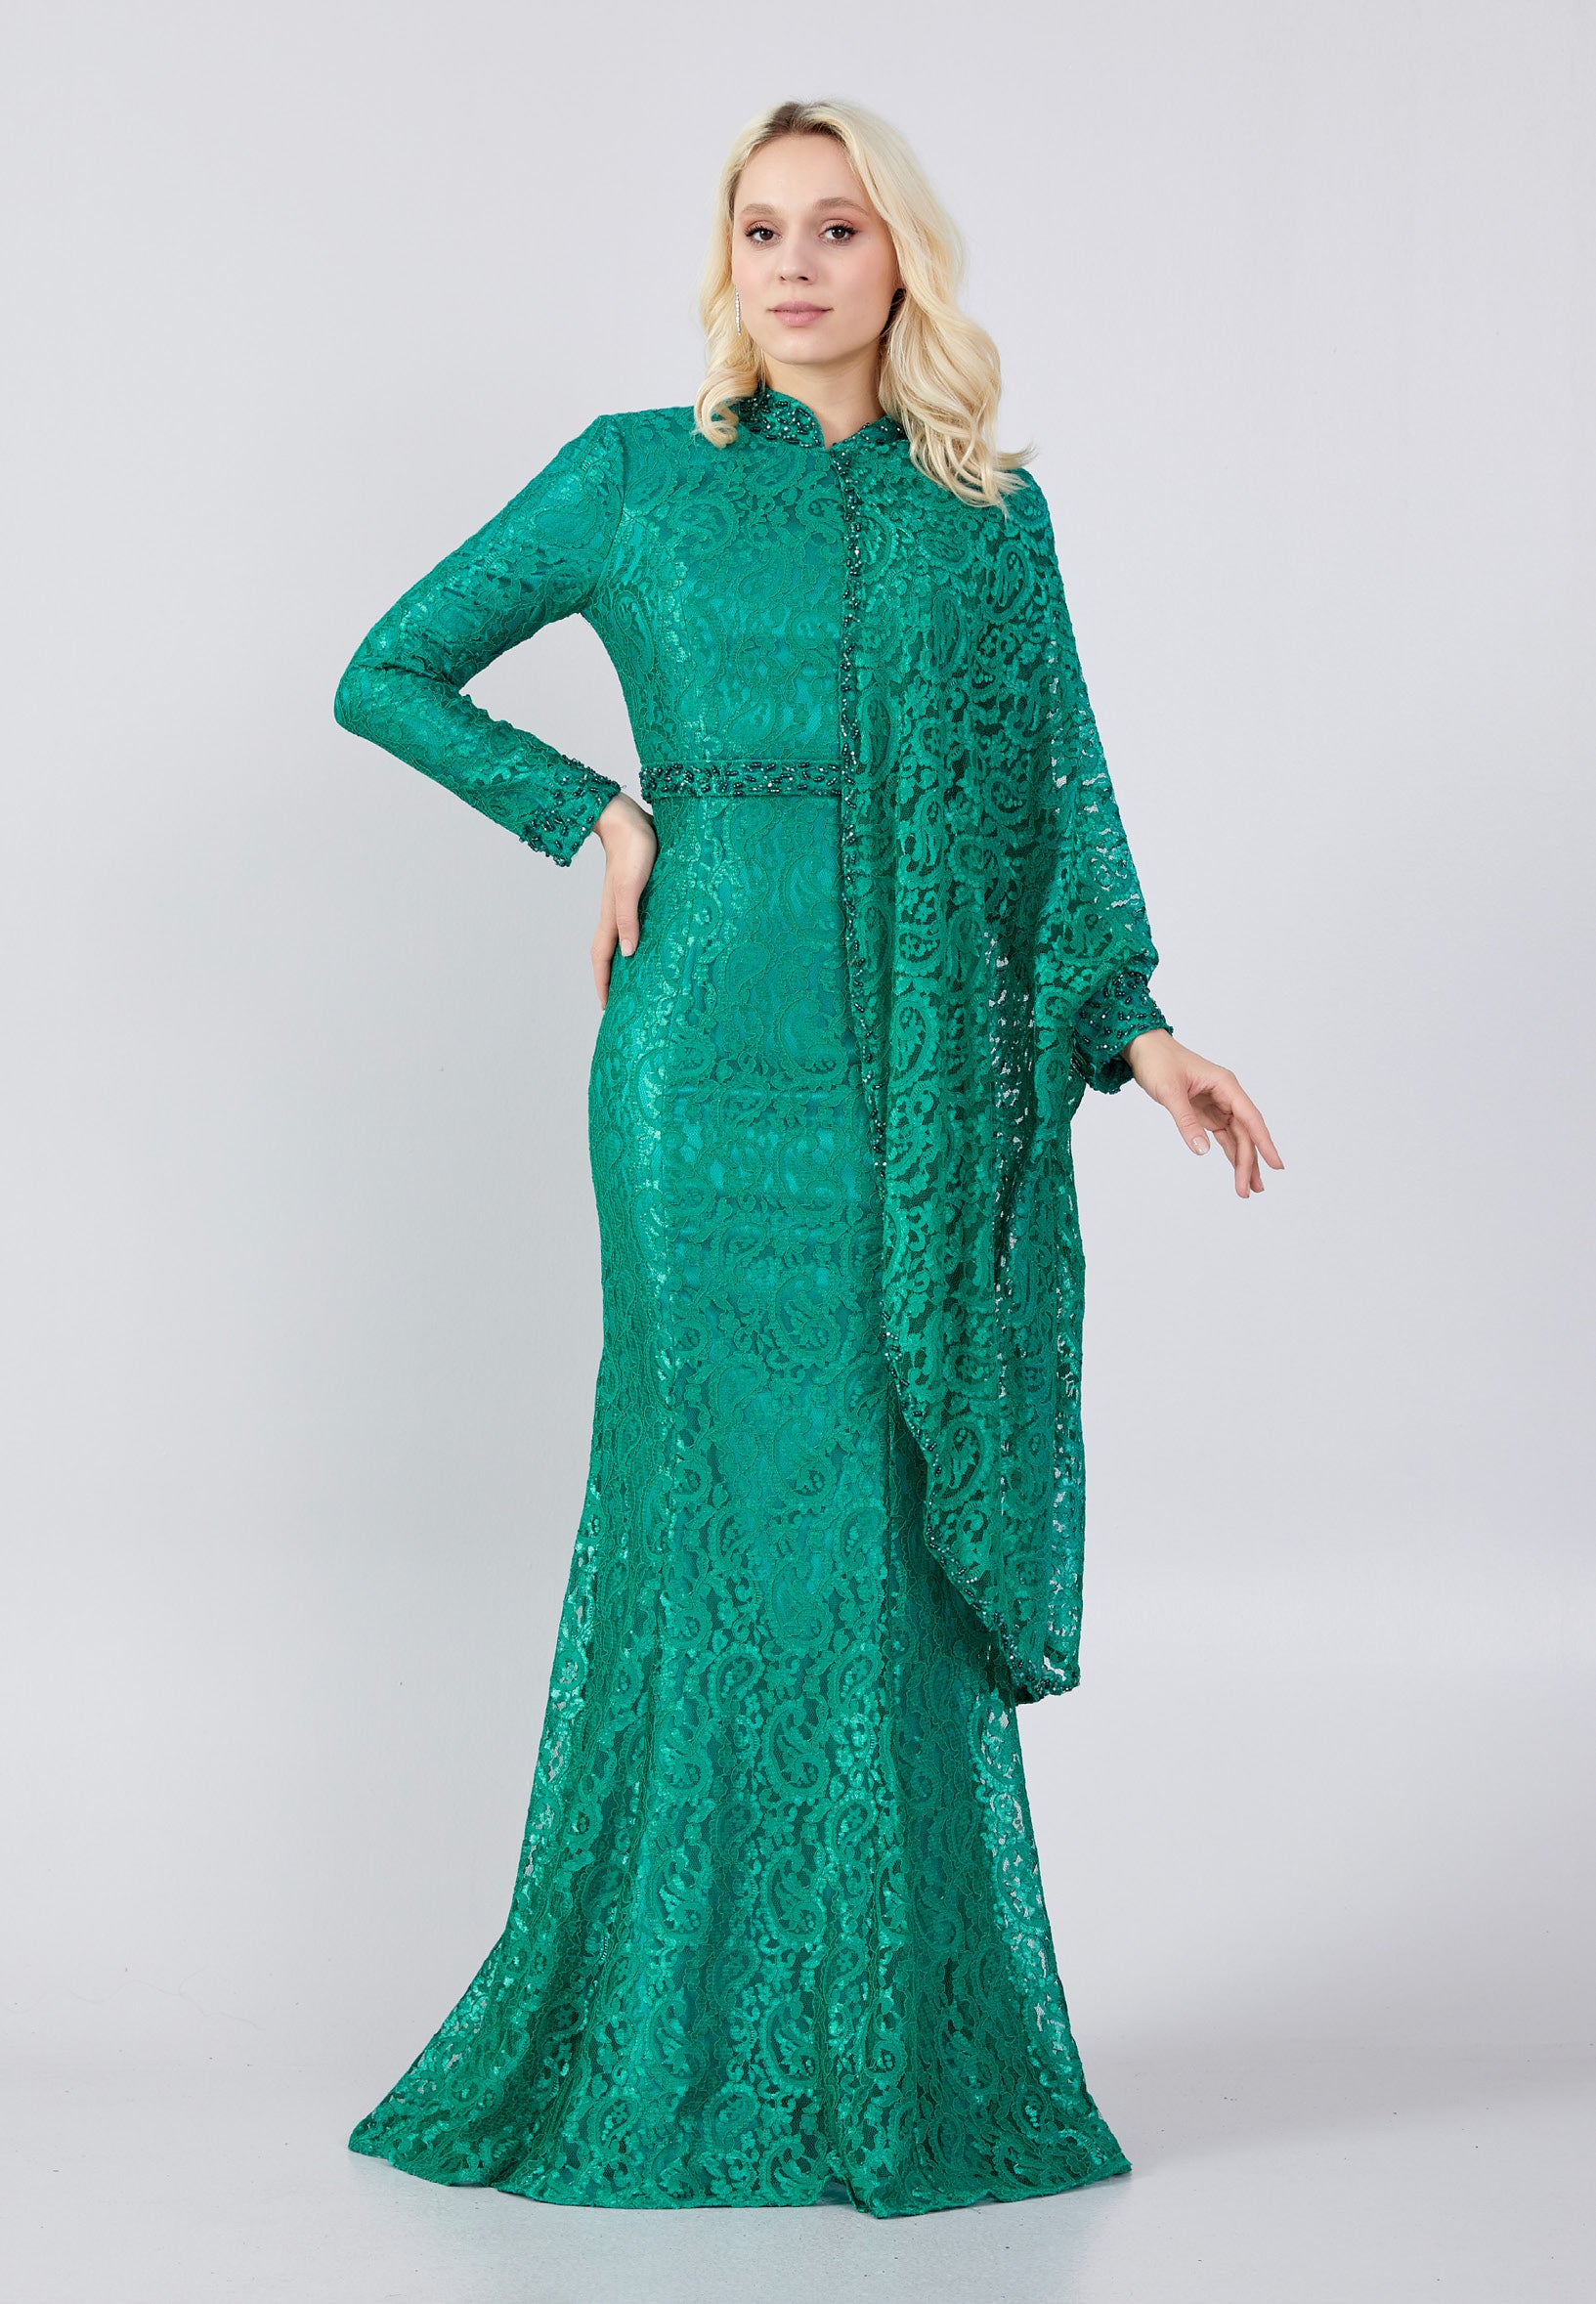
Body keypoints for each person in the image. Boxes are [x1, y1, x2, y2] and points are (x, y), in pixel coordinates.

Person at [331, 96, 1281, 2220]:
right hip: (692, 1082)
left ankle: (876, 2036)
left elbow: (1050, 817)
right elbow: (384, 672)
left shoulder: (986, 520)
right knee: (703, 1525)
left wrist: (1134, 1035)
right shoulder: (632, 475)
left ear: (898, 257)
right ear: (727, 260)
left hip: (905, 1105)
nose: (794, 265)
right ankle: (659, 2032)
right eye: (761, 230)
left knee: (868, 1528)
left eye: (836, 229)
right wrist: (589, 811)